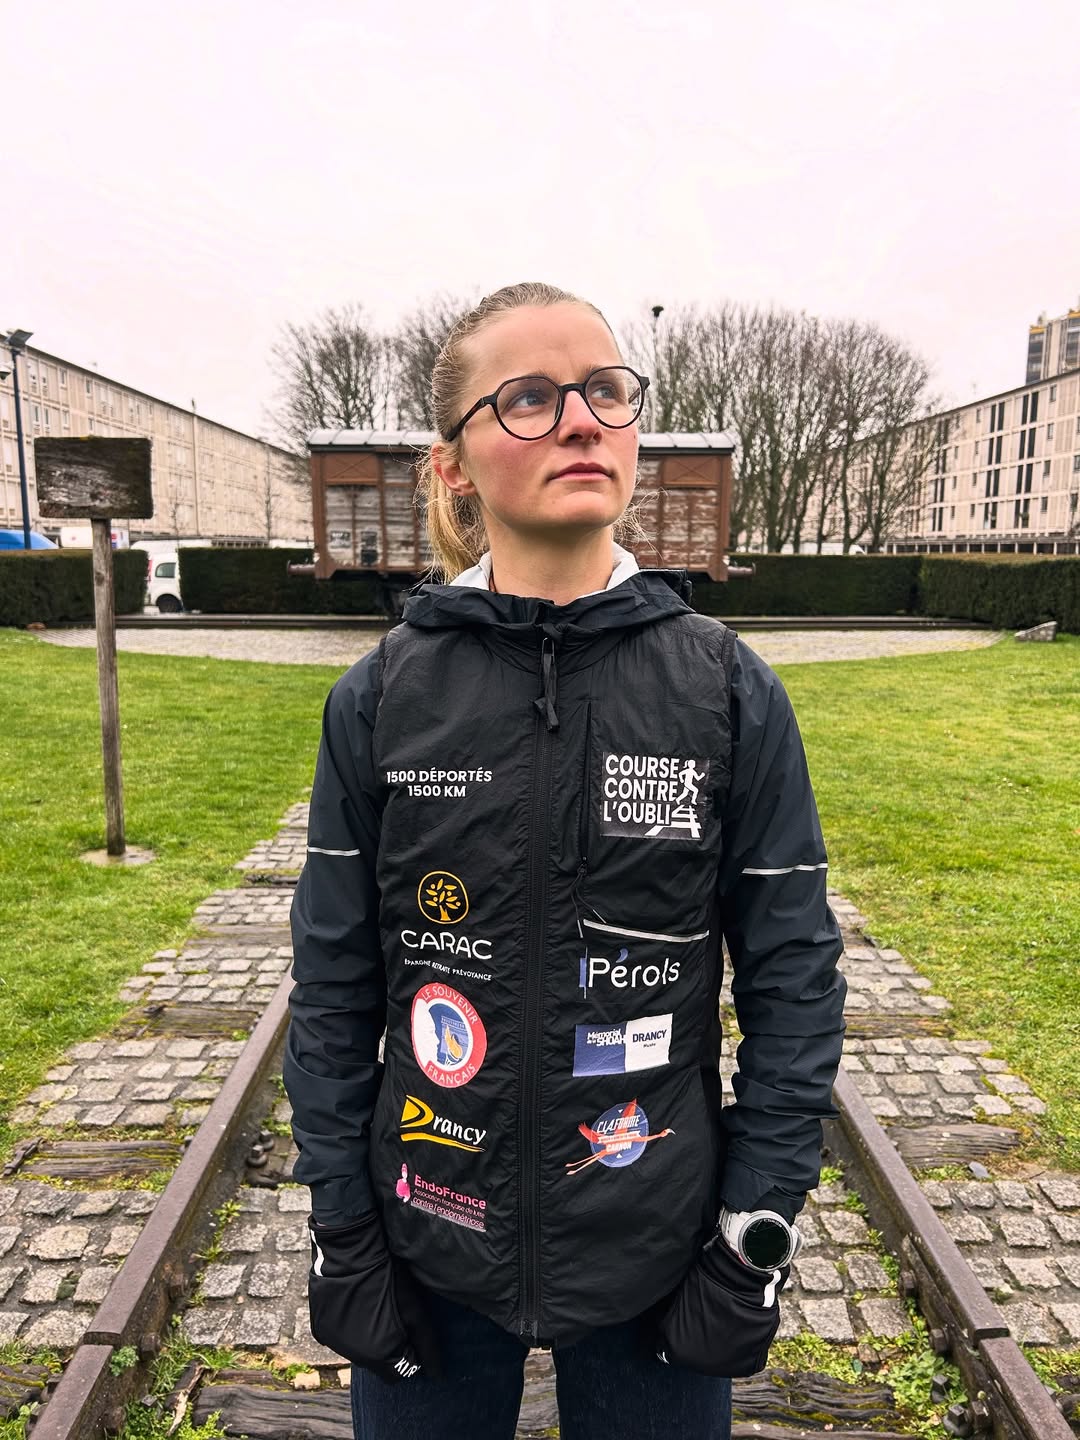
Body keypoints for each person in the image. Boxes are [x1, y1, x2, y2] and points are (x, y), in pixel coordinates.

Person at [284, 281, 846, 1440]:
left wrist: (754, 1232)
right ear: (452, 464)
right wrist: (342, 1227)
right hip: (429, 1233)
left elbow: (794, 983)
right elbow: (333, 989)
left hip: (658, 1248)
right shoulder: (381, 697)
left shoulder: (728, 689)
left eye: (604, 390)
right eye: (530, 397)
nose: (583, 420)